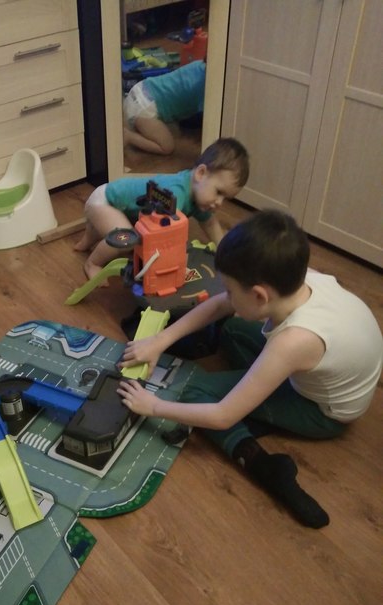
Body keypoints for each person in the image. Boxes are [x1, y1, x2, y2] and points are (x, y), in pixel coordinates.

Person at [117, 210, 383, 529]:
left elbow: (222, 416)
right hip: (331, 373)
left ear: (259, 295)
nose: (226, 295)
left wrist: (153, 406)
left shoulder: (293, 341)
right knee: (233, 329)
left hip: (324, 413)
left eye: (230, 289)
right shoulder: (302, 279)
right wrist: (159, 341)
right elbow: (221, 305)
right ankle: (256, 398)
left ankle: (261, 463)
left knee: (197, 392)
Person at [75, 137, 249, 281]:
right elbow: (165, 234)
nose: (219, 202)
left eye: (225, 198)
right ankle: (93, 263)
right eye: (218, 192)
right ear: (201, 173)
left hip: (116, 204)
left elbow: (210, 224)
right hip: (105, 201)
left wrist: (223, 251)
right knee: (126, 239)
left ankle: (88, 240)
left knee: (119, 229)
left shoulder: (200, 195)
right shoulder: (175, 192)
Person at [123, 60, 206, 156]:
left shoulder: (199, 64)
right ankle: (129, 136)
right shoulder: (204, 86)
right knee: (166, 147)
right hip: (143, 107)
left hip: (141, 88)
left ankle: (141, 128)